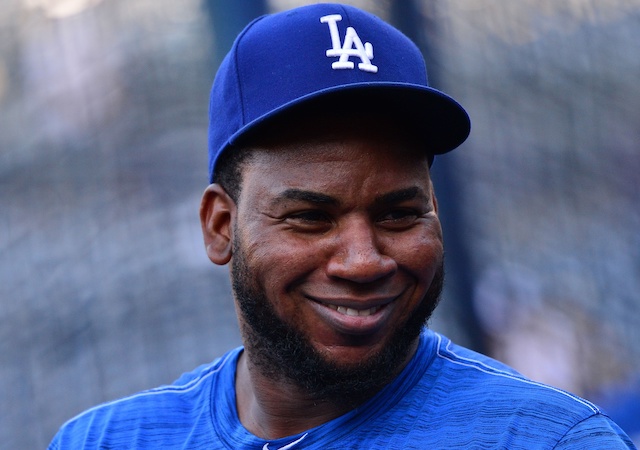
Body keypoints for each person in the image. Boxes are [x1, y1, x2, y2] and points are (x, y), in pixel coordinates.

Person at [49, 3, 636, 449]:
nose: (363, 260)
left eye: (399, 215)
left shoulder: (545, 440)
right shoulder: (106, 440)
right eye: (309, 217)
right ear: (220, 226)